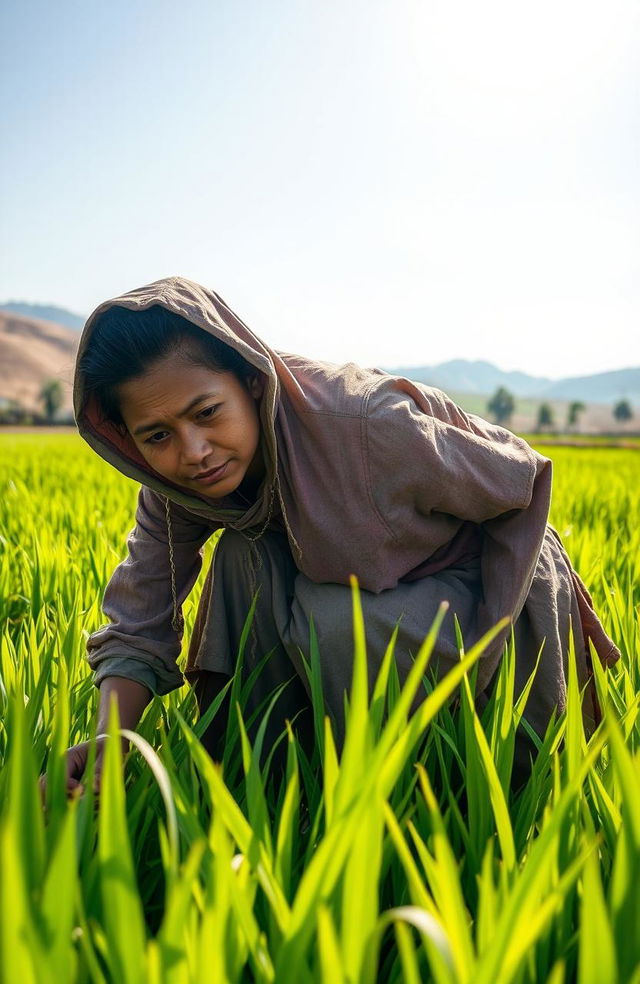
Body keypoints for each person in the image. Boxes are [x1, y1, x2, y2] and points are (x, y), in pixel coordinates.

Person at [50, 276, 619, 796]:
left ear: (252, 380)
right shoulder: (176, 487)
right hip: (368, 594)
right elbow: (142, 609)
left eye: (206, 413)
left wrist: (501, 655)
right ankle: (270, 785)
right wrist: (113, 740)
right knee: (242, 558)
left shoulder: (368, 425)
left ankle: (410, 793)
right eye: (157, 435)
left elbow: (521, 483)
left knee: (329, 614)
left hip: (478, 588)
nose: (192, 452)